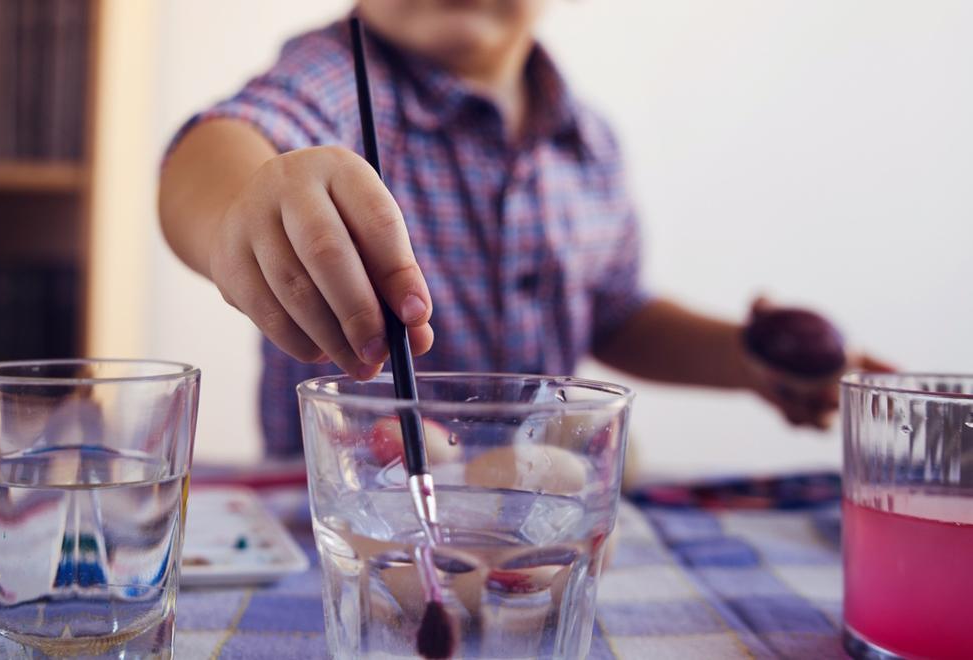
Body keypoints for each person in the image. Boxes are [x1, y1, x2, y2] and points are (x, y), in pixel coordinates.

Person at [159, 1, 885, 457]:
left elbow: (616, 313)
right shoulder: (340, 75)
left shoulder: (589, 140)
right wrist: (241, 207)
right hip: (358, 519)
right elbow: (227, 143)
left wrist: (744, 361)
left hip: (541, 509)